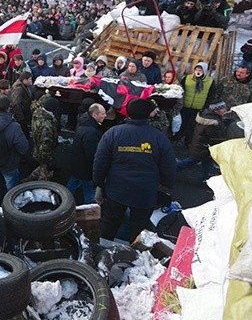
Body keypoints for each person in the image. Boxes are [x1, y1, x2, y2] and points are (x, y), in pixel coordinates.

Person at [93, 98, 176, 242]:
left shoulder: (113, 133)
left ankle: (103, 250)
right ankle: (135, 257)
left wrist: (99, 182)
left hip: (116, 190)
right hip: (145, 192)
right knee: (139, 228)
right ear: (149, 114)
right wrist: (166, 185)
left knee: (109, 223)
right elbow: (168, 166)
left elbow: (100, 161)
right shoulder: (159, 138)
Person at [0, 95, 30, 205]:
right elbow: (23, 148)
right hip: (9, 163)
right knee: (12, 189)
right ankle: (12, 208)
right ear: (8, 108)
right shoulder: (14, 126)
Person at [177, 101, 230, 184]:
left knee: (193, 162)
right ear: (216, 110)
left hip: (200, 147)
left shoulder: (207, 117)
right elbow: (215, 138)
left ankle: (172, 169)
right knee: (203, 164)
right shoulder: (213, 123)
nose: (225, 110)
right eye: (223, 108)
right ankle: (203, 179)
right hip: (205, 149)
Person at [66, 103, 107, 204]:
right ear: (95, 115)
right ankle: (91, 212)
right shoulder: (91, 132)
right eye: (103, 113)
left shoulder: (84, 124)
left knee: (72, 184)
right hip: (86, 169)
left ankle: (63, 201)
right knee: (90, 194)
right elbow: (92, 154)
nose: (105, 116)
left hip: (77, 165)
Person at [178, 62, 216, 147]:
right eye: (197, 69)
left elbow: (211, 95)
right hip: (185, 106)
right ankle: (178, 139)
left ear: (204, 71)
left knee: (192, 127)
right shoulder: (187, 78)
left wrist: (205, 106)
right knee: (181, 124)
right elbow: (180, 90)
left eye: (200, 70)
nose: (198, 71)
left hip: (198, 108)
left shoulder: (209, 82)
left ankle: (188, 143)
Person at [27, 97, 59, 181]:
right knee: (45, 174)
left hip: (37, 148)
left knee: (42, 166)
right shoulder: (47, 126)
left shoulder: (37, 113)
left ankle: (31, 177)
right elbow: (45, 146)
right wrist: (49, 161)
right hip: (43, 153)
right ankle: (39, 187)